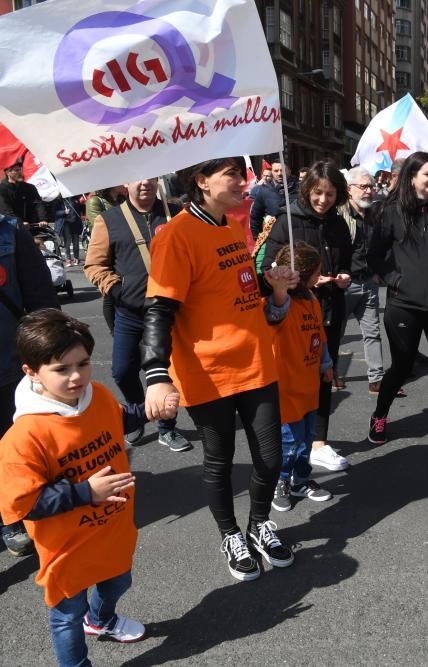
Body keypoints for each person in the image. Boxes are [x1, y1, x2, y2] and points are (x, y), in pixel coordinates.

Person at [141, 157, 299, 581]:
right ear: (201, 181)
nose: (241, 181)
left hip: (256, 361)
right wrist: (156, 373)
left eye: (240, 173)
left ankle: (260, 523)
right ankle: (230, 534)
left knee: (270, 457)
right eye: (231, 174)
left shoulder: (231, 226)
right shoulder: (175, 235)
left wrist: (273, 286)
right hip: (207, 370)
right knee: (220, 460)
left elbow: (231, 288)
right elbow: (159, 309)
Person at [0, 309, 178, 666]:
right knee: (67, 616)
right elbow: (23, 505)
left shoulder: (94, 395)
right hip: (67, 549)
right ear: (32, 372)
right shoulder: (24, 437)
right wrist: (85, 493)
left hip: (113, 530)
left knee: (118, 582)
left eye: (82, 363)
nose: (76, 376)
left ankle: (100, 620)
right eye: (61, 369)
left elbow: (115, 417)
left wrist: (148, 411)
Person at [366, 152, 428, 457]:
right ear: (412, 177)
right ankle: (379, 416)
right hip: (404, 306)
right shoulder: (390, 211)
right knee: (402, 367)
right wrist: (395, 281)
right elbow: (375, 256)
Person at [83, 178, 191, 452]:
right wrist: (117, 290)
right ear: (124, 183)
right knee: (121, 371)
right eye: (138, 178)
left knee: (166, 372)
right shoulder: (109, 220)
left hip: (169, 312)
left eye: (151, 177)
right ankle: (138, 414)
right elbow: (94, 265)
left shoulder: (176, 214)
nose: (145, 183)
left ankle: (168, 427)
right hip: (129, 312)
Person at [260, 161, 352, 472]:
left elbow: (353, 258)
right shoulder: (287, 220)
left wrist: (346, 276)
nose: (323, 199)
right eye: (317, 192)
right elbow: (269, 268)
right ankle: (290, 445)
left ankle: (318, 442)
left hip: (330, 308)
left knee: (325, 373)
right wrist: (298, 282)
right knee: (293, 377)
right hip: (294, 311)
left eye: (330, 194)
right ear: (307, 190)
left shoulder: (339, 223)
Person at [0, 212, 59, 557]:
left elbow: (41, 300)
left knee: (15, 448)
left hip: (11, 368)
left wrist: (49, 355)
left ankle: (13, 514)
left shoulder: (8, 230)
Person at [267, 243, 336, 512]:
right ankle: (280, 481)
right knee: (288, 441)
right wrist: (280, 287)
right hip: (286, 386)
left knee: (307, 438)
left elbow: (319, 334)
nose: (320, 277)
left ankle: (301, 479)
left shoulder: (312, 301)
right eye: (317, 273)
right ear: (304, 274)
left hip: (309, 384)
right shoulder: (280, 302)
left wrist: (326, 363)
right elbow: (273, 314)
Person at [338, 167, 392, 395]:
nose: (368, 191)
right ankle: (333, 374)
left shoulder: (375, 215)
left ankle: (376, 379)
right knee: (335, 334)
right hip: (343, 284)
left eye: (370, 186)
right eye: (363, 186)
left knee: (372, 332)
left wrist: (378, 272)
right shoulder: (339, 216)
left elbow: (381, 246)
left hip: (368, 281)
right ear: (349, 190)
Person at [85, 186, 128, 334]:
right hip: (106, 247)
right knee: (109, 292)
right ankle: (114, 329)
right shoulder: (94, 201)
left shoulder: (122, 199)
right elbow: (96, 222)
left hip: (121, 247)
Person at [0, 161, 48, 230]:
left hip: (31, 226)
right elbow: (6, 210)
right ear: (8, 173)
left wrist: (43, 219)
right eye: (16, 170)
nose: (20, 172)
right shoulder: (2, 189)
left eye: (20, 169)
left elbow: (38, 204)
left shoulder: (30, 187)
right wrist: (19, 222)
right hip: (11, 228)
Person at [249, 162, 285, 239]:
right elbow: (255, 217)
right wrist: (258, 238)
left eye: (282, 170)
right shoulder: (261, 191)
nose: (279, 173)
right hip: (272, 239)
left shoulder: (298, 190)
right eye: (276, 171)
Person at [52, 197, 83, 266]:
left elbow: (79, 210)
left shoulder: (75, 199)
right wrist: (64, 212)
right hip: (66, 224)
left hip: (75, 223)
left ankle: (76, 258)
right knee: (67, 243)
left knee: (76, 242)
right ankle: (68, 259)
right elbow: (55, 212)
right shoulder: (59, 201)